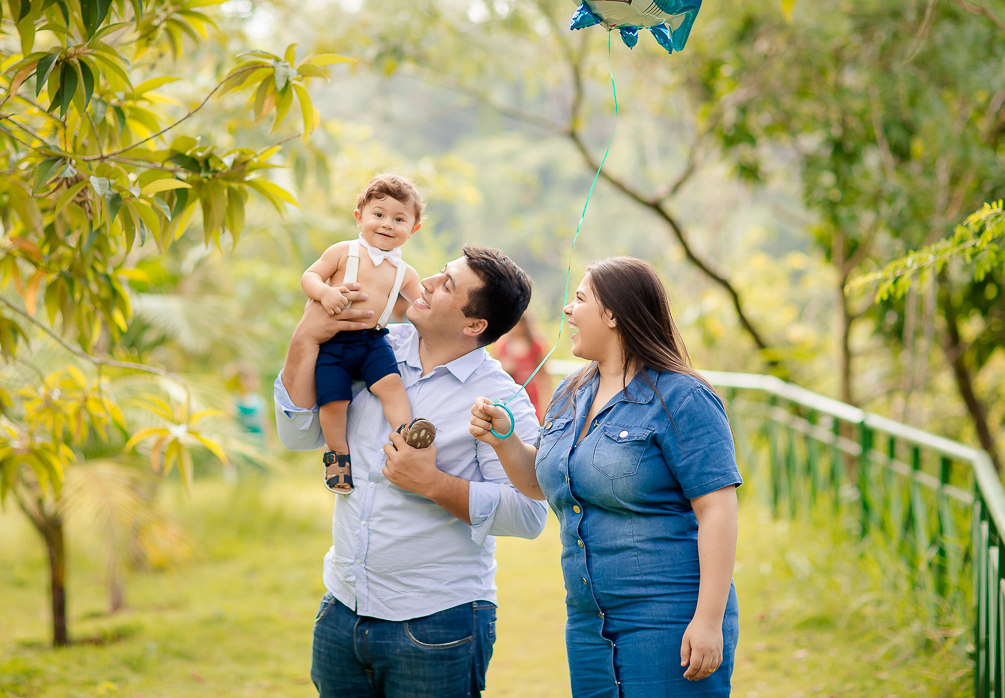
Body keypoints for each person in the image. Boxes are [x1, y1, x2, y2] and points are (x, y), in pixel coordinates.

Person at [275, 245, 549, 698]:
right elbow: (298, 435)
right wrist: (304, 339)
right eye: (440, 272)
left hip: (438, 622)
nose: (426, 282)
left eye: (447, 285)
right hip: (341, 608)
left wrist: (434, 484)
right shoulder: (369, 342)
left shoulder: (500, 399)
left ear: (474, 325)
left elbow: (530, 514)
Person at [470, 257, 741, 697]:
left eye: (579, 299)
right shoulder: (571, 391)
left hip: (669, 618)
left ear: (613, 314)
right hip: (587, 625)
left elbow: (717, 508)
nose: (567, 309)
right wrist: (504, 439)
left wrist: (708, 621)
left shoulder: (684, 397)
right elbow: (544, 484)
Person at [301, 174, 432, 494]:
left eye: (399, 219)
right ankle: (337, 456)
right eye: (379, 214)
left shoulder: (404, 272)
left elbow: (423, 304)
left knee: (392, 386)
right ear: (359, 217)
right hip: (333, 342)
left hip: (373, 341)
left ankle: (405, 437)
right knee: (334, 401)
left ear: (413, 230)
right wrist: (324, 293)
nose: (387, 224)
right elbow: (310, 276)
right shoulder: (342, 252)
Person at [493, 311, 553, 421]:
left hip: (532, 398)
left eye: (521, 322)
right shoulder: (502, 346)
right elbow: (494, 374)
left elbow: (544, 375)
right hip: (510, 398)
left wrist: (546, 403)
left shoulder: (535, 345)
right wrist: (505, 368)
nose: (518, 325)